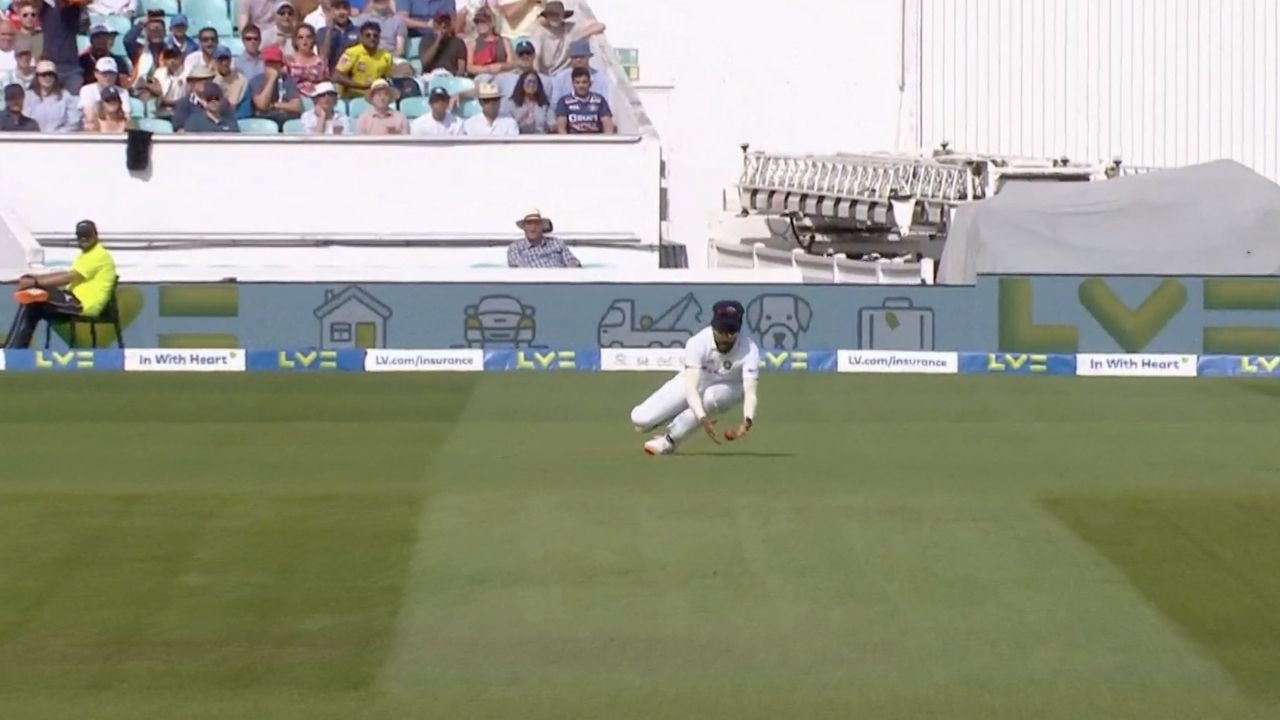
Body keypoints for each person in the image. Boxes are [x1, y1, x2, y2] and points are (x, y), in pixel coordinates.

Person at [629, 301, 760, 456]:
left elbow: (750, 393)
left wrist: (747, 420)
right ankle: (672, 414)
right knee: (640, 419)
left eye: (732, 331)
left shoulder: (749, 350)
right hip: (697, 382)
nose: (727, 336)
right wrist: (702, 417)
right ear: (714, 326)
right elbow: (691, 387)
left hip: (730, 386)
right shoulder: (698, 343)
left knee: (712, 398)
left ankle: (669, 441)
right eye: (722, 330)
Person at [4, 219, 118, 349]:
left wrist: (35, 282)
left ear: (96, 235)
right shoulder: (86, 255)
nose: (84, 239)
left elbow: (68, 277)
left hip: (82, 305)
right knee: (32, 301)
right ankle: (14, 348)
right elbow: (65, 274)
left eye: (88, 235)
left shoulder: (99, 255)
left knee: (33, 299)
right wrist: (35, 279)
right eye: (81, 236)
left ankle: (13, 349)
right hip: (73, 299)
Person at [332, 20, 392, 99]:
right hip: (352, 95)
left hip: (375, 96)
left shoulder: (386, 56)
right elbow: (336, 76)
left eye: (375, 36)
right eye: (368, 35)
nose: (372, 38)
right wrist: (361, 86)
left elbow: (386, 78)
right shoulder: (352, 53)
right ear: (361, 37)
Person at [507, 209, 579, 268]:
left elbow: (572, 261)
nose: (533, 227)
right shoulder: (515, 247)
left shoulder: (557, 243)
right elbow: (518, 270)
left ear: (542, 227)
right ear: (524, 228)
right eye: (529, 224)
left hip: (560, 281)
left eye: (537, 223)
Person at [24, 58, 79, 131]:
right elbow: (24, 121)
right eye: (44, 75)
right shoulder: (28, 96)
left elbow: (74, 122)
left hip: (60, 140)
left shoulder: (65, 96)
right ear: (37, 77)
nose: (47, 77)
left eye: (51, 74)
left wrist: (57, 135)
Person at [554, 66, 613, 134]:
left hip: (595, 141)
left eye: (584, 82)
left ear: (590, 83)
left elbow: (608, 127)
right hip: (573, 141)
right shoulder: (564, 101)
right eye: (578, 82)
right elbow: (561, 128)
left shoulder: (599, 100)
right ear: (573, 84)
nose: (581, 86)